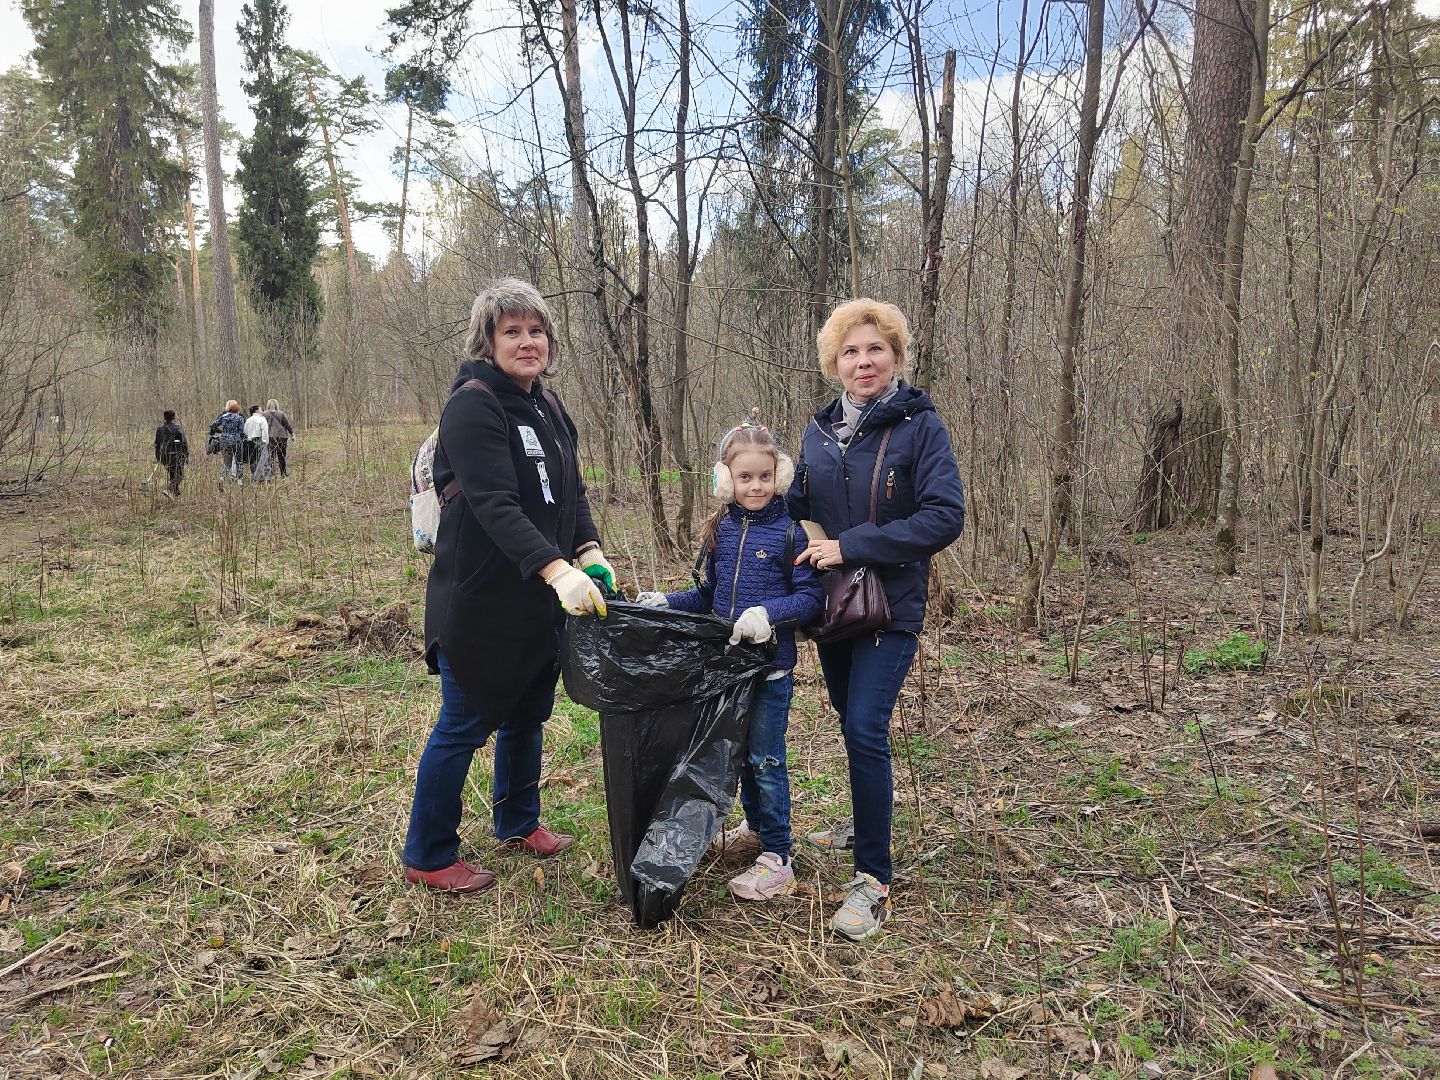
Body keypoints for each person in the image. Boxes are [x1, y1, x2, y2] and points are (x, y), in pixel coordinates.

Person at [403, 278, 616, 894]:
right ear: (488, 341)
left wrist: (587, 550)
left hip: (537, 602)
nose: (528, 342)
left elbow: (570, 495)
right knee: (464, 723)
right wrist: (557, 571)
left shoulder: (549, 407)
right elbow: (494, 503)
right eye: (512, 332)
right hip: (479, 598)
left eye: (537, 331)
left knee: (527, 715)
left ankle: (518, 820)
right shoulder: (472, 405)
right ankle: (429, 853)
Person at [788, 298, 965, 940]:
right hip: (834, 608)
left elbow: (945, 516)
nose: (864, 362)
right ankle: (867, 820)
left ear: (896, 356)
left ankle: (871, 878)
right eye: (851, 351)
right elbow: (799, 504)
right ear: (834, 362)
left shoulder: (920, 426)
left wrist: (852, 544)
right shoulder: (818, 430)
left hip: (889, 605)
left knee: (865, 725)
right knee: (847, 716)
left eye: (876, 349)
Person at [637, 419, 823, 902]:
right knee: (738, 757)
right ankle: (759, 827)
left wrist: (768, 614)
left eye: (764, 476)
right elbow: (707, 595)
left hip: (768, 669)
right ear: (726, 479)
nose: (755, 486)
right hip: (724, 668)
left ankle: (778, 856)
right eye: (745, 477)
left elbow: (809, 600)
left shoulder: (791, 534)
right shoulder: (720, 528)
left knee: (765, 759)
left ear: (778, 475)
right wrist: (666, 603)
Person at [210, 401, 247, 487]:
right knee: (239, 461)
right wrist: (242, 438)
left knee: (227, 463)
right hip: (236, 441)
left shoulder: (224, 417)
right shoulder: (239, 418)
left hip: (224, 441)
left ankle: (222, 478)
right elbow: (242, 431)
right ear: (237, 410)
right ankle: (239, 481)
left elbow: (212, 425)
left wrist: (220, 431)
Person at [153, 409, 189, 497]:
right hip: (175, 455)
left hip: (164, 456)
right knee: (179, 476)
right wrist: (186, 454)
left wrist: (158, 457)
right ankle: (170, 489)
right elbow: (183, 443)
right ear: (173, 417)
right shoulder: (177, 428)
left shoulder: (159, 429)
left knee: (173, 474)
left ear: (164, 417)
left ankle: (175, 493)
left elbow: (157, 444)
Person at [263, 398, 295, 477]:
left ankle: (271, 474)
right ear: (277, 405)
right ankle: (283, 473)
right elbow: (287, 425)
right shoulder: (281, 414)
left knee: (270, 456)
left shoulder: (264, 414)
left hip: (270, 437)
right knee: (282, 456)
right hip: (282, 437)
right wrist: (292, 434)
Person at [244, 405, 271, 481]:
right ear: (256, 411)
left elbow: (245, 431)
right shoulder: (262, 419)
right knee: (263, 459)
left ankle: (254, 475)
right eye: (260, 409)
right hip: (260, 440)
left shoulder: (248, 420)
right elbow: (265, 431)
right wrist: (265, 441)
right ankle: (261, 476)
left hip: (250, 441)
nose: (262, 410)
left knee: (253, 459)